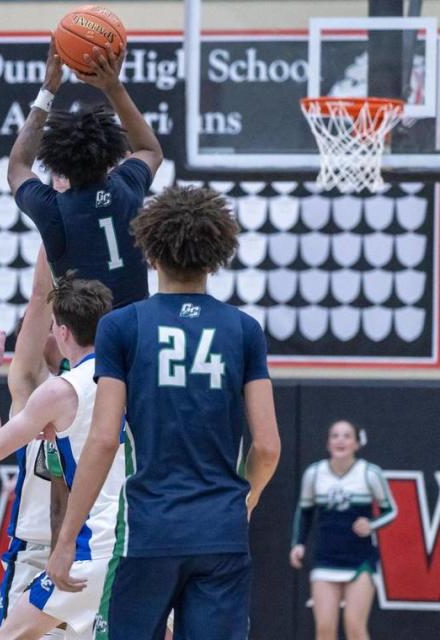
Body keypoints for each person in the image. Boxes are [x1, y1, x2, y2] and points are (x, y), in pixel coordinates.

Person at [47, 186, 281, 640]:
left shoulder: (122, 326)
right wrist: (244, 502)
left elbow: (102, 440)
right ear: (216, 258)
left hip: (147, 532)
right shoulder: (244, 330)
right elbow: (268, 447)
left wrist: (65, 541)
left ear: (150, 253)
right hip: (221, 533)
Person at [0, 273, 120, 640]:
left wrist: (52, 228)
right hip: (73, 544)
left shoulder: (63, 392)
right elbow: (40, 300)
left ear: (63, 330)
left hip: (86, 542)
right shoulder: (123, 380)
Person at [8, 38, 163, 308]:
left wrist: (48, 90)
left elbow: (18, 168)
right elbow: (150, 149)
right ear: (112, 153)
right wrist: (113, 86)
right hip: (133, 328)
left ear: (56, 162)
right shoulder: (127, 186)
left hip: (84, 339)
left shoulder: (53, 209)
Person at [0, 248, 67, 637]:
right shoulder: (34, 389)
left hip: (95, 548)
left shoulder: (106, 386)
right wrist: (55, 224)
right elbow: (40, 295)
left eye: (54, 323)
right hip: (37, 551)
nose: (40, 330)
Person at [289, 420, 397, 640]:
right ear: (328, 443)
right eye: (335, 435)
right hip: (325, 560)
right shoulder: (314, 473)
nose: (340, 440)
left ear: (357, 443)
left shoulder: (369, 473)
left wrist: (371, 525)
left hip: (360, 561)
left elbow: (391, 511)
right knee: (325, 629)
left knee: (355, 627)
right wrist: (298, 543)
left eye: (347, 436)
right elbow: (305, 511)